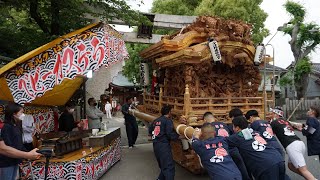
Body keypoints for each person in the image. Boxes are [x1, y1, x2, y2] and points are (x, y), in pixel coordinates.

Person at [269, 107, 316, 180]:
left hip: (292, 146)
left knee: (303, 170)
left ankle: (311, 178)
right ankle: (309, 177)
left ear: (276, 114)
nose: (270, 115)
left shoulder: (273, 123)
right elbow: (310, 130)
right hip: (300, 143)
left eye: (272, 113)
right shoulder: (286, 122)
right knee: (291, 166)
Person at [204, 112, 251, 180]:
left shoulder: (208, 128)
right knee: (241, 168)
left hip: (221, 150)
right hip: (233, 149)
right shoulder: (224, 124)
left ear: (205, 120)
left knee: (225, 170)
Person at [149, 105, 179, 180]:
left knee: (163, 166)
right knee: (169, 167)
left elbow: (150, 131)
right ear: (169, 112)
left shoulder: (155, 120)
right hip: (163, 146)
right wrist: (178, 136)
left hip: (155, 145)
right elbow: (169, 134)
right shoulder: (168, 120)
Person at [0, 103, 28, 180]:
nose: (23, 115)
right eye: (21, 112)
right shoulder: (6, 127)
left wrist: (27, 152)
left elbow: (19, 144)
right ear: (14, 114)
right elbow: (7, 146)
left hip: (15, 160)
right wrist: (25, 154)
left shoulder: (16, 126)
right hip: (6, 162)